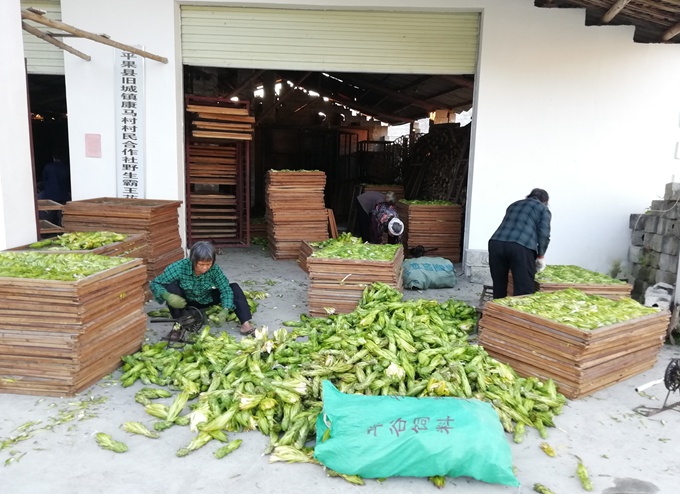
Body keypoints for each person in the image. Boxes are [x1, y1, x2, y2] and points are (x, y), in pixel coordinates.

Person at [150, 241, 254, 339]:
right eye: (201, 264)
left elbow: (225, 289)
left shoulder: (214, 269)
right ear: (193, 260)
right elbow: (156, 283)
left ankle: (245, 324)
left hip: (205, 298)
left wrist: (225, 309)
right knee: (171, 287)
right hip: (183, 302)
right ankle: (178, 327)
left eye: (208, 264)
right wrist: (167, 296)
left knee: (233, 288)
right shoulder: (179, 267)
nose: (205, 268)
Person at [488, 188, 551, 299]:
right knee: (524, 289)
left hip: (496, 243)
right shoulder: (543, 209)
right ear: (545, 201)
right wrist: (541, 255)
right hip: (520, 246)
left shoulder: (513, 205)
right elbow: (544, 234)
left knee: (499, 284)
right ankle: (517, 315)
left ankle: (498, 311)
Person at [37, 150, 71, 224]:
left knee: (50, 213)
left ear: (54, 158)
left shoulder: (48, 166)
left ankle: (48, 231)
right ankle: (60, 231)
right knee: (61, 214)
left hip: (50, 194)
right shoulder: (67, 168)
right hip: (63, 194)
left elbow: (44, 178)